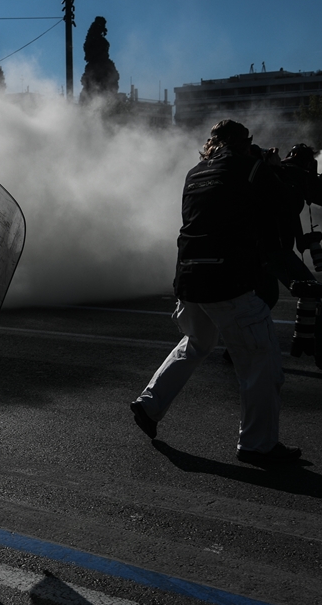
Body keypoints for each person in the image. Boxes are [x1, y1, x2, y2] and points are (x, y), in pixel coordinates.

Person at [129, 120, 301, 465]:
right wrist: (273, 169)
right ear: (245, 144)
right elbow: (288, 205)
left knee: (196, 343)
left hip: (190, 278)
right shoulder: (251, 168)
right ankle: (258, 445)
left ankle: (150, 403)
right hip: (228, 280)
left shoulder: (194, 173)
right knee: (260, 362)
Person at [264, 143, 322, 368]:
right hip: (275, 248)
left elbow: (287, 211)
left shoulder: (277, 173)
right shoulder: (298, 174)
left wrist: (300, 239)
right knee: (311, 291)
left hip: (258, 247)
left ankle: (235, 348)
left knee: (265, 298)